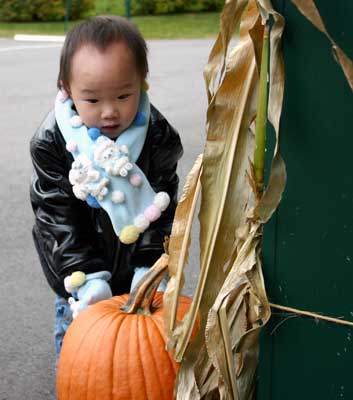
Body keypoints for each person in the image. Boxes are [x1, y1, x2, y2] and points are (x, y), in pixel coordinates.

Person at [29, 15, 183, 358]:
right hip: (81, 275)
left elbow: (165, 206)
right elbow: (56, 217)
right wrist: (85, 275)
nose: (110, 112)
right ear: (67, 89)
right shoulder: (52, 143)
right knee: (81, 353)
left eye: (123, 95)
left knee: (143, 357)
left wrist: (150, 264)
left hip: (138, 272)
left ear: (142, 83)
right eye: (93, 101)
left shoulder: (158, 137)